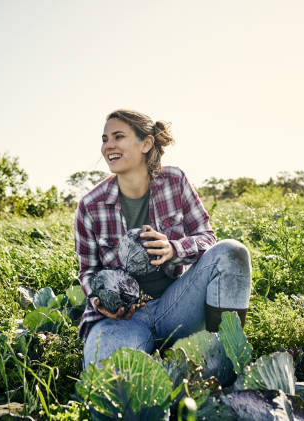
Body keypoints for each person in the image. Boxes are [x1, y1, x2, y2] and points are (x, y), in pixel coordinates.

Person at [75, 109, 251, 369]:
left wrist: (174, 249)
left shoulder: (174, 181)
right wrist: (100, 300)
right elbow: (88, 272)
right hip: (123, 320)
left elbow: (207, 237)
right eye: (104, 139)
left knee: (231, 252)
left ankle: (222, 358)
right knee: (105, 378)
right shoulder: (90, 205)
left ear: (146, 143)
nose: (108, 146)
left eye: (118, 136)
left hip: (176, 305)